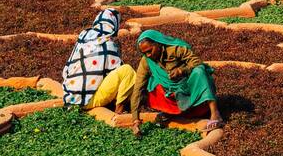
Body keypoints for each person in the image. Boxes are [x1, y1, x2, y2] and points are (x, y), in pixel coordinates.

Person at [85, 29, 223, 136]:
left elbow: (196, 61)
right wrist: (135, 120)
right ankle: (172, 113)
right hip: (171, 92)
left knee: (199, 71)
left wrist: (182, 70)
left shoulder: (175, 49)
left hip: (188, 85)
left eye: (150, 51)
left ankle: (215, 113)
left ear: (157, 43)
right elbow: (138, 88)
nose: (149, 55)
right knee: (151, 85)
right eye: (145, 53)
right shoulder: (146, 61)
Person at [60, 9, 123, 108]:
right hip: (85, 101)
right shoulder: (108, 43)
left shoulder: (83, 37)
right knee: (127, 71)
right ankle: (120, 108)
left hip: (68, 94)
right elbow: (116, 70)